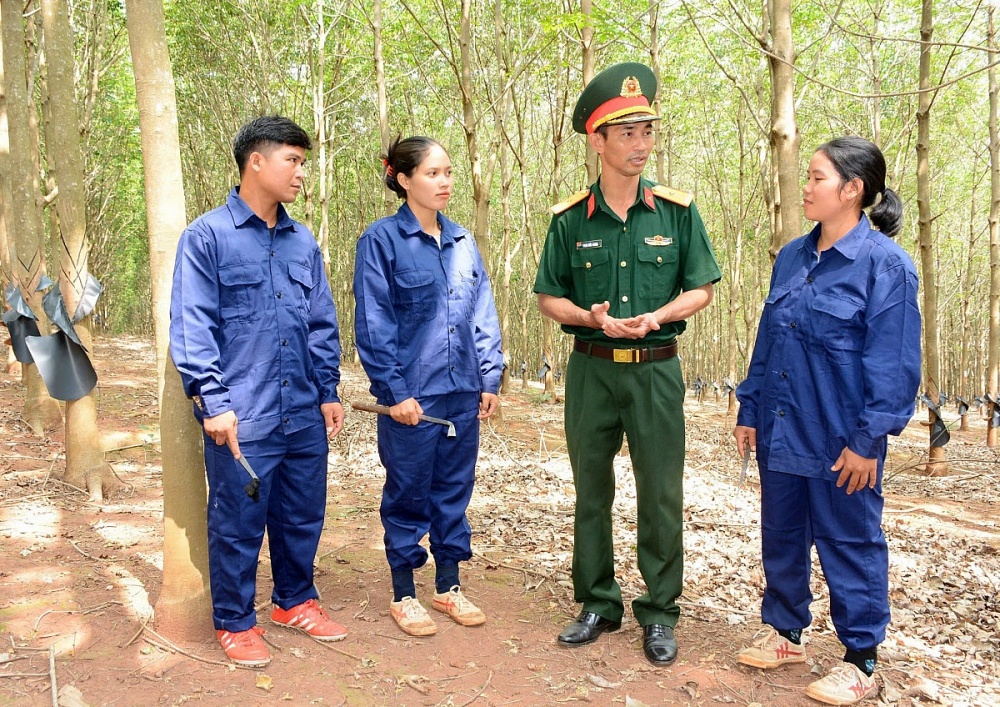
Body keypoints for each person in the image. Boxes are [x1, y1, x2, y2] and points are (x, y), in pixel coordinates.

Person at [533, 63, 722, 666]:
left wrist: (659, 313)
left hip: (656, 369)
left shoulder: (676, 212)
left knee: (661, 493)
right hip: (591, 368)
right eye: (628, 134)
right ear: (598, 141)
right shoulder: (569, 220)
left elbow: (702, 289)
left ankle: (660, 611)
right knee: (591, 489)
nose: (642, 145)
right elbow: (548, 296)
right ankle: (596, 602)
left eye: (647, 132)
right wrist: (589, 317)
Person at [733, 136, 921, 705]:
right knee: (782, 534)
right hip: (782, 424)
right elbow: (769, 339)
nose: (807, 187)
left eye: (817, 178)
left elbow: (894, 364)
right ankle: (786, 631)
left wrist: (869, 441)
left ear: (853, 189)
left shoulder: (886, 267)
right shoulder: (792, 256)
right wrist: (749, 406)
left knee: (850, 541)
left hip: (844, 438)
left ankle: (861, 659)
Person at [170, 115, 347, 667]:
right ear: (257, 162)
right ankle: (235, 620)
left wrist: (328, 390)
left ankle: (294, 600)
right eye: (292, 160)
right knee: (238, 520)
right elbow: (193, 324)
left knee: (301, 514)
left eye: (302, 161)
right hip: (242, 414)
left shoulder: (303, 241)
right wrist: (214, 402)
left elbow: (320, 321)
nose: (300, 173)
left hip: (302, 411)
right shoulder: (207, 237)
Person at [353, 136, 503, 637]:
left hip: (461, 392)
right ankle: (403, 592)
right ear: (403, 179)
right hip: (412, 397)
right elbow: (374, 324)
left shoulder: (463, 242)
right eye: (432, 173)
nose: (444, 182)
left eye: (448, 172)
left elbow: (482, 312)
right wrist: (394, 393)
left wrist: (490, 377)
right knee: (408, 491)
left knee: (454, 492)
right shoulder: (381, 241)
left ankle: (448, 586)